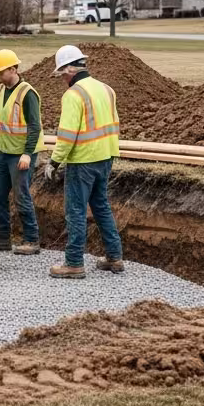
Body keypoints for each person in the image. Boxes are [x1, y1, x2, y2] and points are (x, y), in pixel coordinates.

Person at [44, 44, 124, 279]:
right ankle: (114, 257)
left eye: (62, 74)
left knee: (76, 211)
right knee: (101, 206)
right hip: (106, 156)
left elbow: (67, 135)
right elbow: (114, 123)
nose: (62, 80)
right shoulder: (107, 89)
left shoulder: (73, 95)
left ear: (69, 70)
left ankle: (74, 263)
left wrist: (54, 162)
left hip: (83, 161)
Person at [0, 48, 42, 254]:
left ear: (14, 69)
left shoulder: (27, 93)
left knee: (21, 196)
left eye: (1, 72)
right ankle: (2, 240)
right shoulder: (1, 90)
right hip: (4, 152)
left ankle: (32, 240)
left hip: (21, 154)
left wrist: (27, 153)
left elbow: (34, 126)